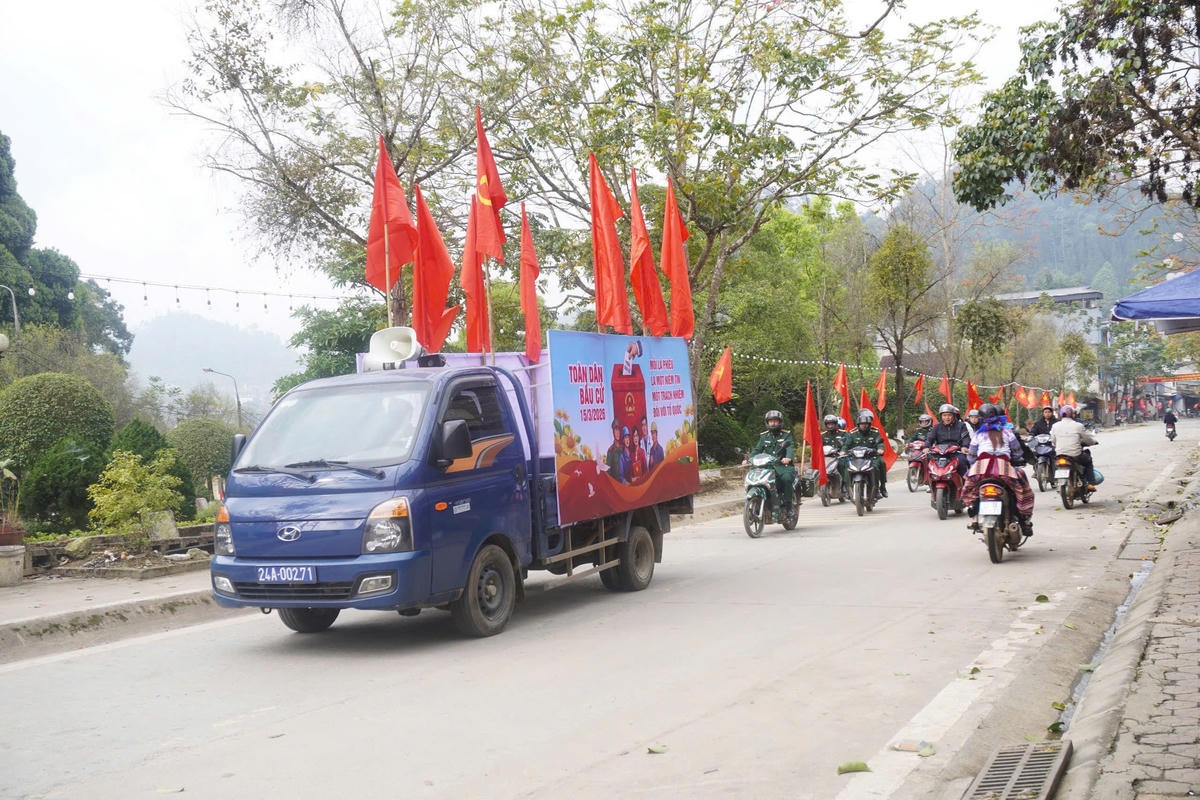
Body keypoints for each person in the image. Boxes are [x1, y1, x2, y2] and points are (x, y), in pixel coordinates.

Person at [963, 404, 1035, 536]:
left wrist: (974, 465)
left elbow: (971, 456)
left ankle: (974, 517)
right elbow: (1017, 452)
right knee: (1022, 487)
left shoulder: (978, 434)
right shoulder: (1007, 431)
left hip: (981, 471)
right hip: (1004, 470)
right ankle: (1024, 519)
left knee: (970, 488)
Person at [743, 410, 797, 509]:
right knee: (757, 480)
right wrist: (748, 459)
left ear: (780, 422)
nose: (773, 423)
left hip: (782, 466)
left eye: (775, 421)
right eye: (770, 421)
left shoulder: (786, 435)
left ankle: (788, 504)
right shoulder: (764, 436)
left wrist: (788, 458)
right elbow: (757, 449)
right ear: (767, 423)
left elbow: (790, 448)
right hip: (767, 466)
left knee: (786, 479)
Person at [841, 409, 888, 498]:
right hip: (856, 458)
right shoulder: (853, 433)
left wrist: (880, 449)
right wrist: (843, 451)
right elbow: (847, 444)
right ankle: (848, 490)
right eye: (862, 424)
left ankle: (881, 488)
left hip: (871, 457)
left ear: (869, 425)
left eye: (866, 424)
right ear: (858, 425)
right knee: (847, 467)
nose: (864, 426)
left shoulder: (874, 432)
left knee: (881, 463)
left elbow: (880, 443)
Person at [1051, 405, 1097, 489]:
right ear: (1073, 415)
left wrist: (1056, 445)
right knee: (1088, 461)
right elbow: (1088, 439)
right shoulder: (1078, 425)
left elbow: (1053, 441)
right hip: (1075, 455)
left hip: (1060, 454)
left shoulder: (1055, 426)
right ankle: (1091, 483)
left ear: (1061, 415)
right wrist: (1093, 442)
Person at [925, 403, 971, 477]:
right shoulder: (937, 426)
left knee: (962, 461)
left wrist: (964, 446)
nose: (947, 417)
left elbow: (966, 438)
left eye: (949, 415)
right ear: (941, 416)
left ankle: (964, 483)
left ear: (954, 416)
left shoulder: (961, 425)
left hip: (956, 452)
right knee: (929, 462)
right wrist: (927, 447)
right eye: (944, 415)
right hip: (940, 452)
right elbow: (930, 438)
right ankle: (930, 481)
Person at [821, 414, 848, 491]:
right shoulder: (823, 435)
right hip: (827, 457)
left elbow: (847, 443)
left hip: (839, 456)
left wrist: (843, 451)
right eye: (828, 424)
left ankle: (844, 484)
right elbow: (818, 446)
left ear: (836, 424)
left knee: (842, 464)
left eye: (832, 424)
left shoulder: (843, 433)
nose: (830, 426)